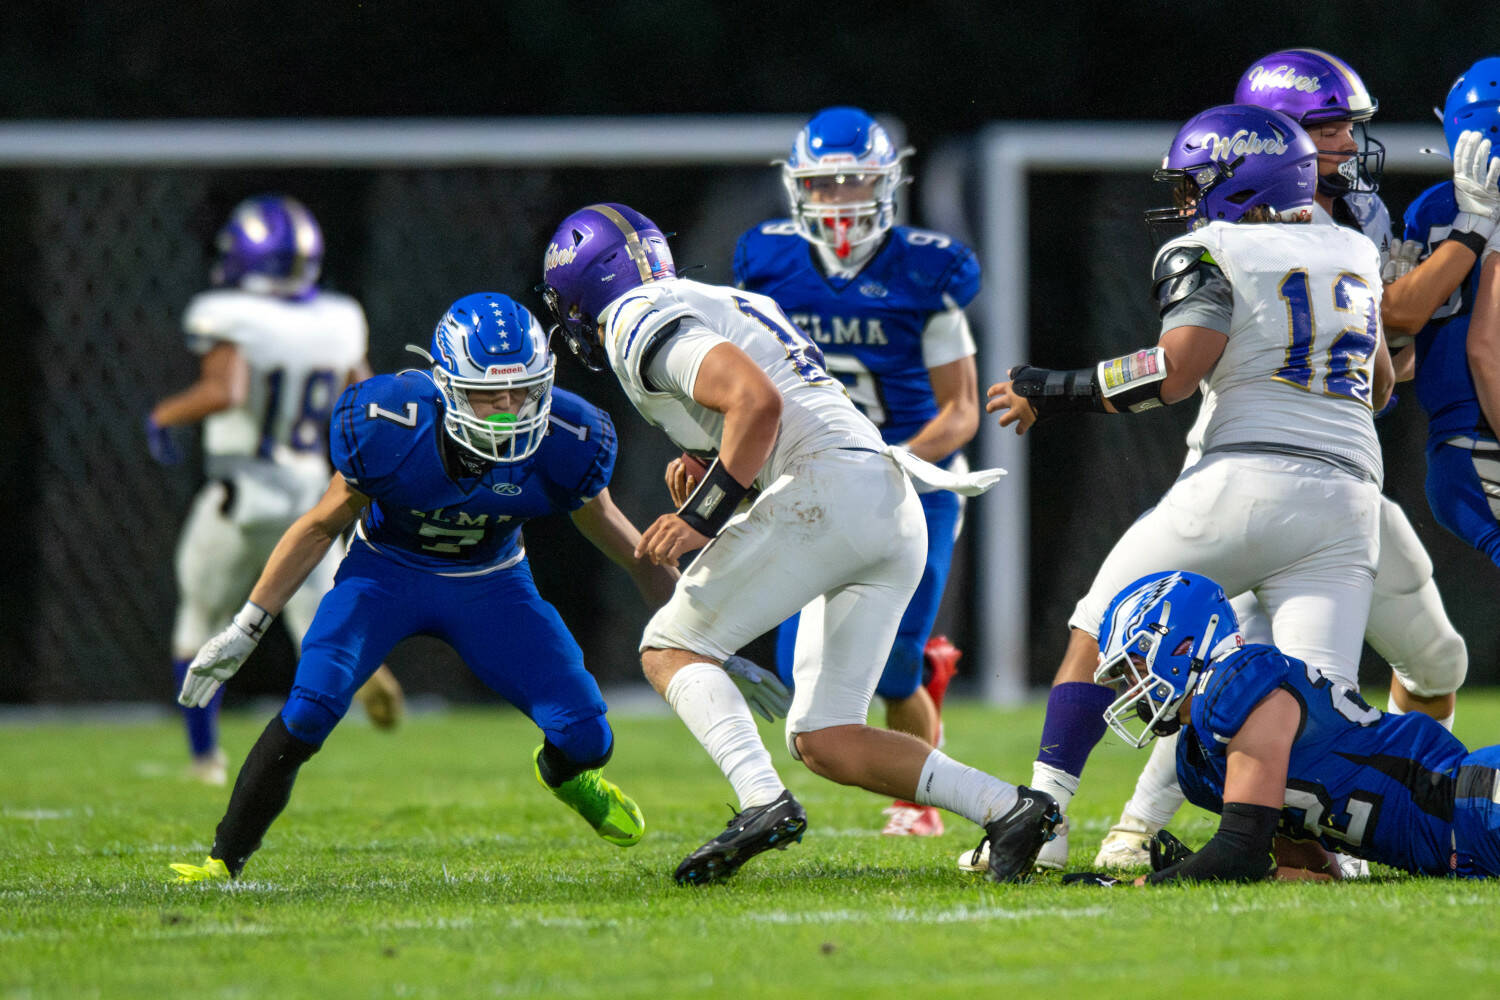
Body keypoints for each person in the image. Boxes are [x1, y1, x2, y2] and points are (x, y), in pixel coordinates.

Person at [541, 202, 1057, 885]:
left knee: (671, 648)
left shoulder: (637, 317)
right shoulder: (717, 297)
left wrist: (704, 512)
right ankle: (1012, 809)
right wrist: (720, 474)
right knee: (826, 738)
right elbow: (771, 412)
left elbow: (757, 402)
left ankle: (763, 803)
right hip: (884, 498)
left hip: (833, 487)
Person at [1093, 49, 1491, 871]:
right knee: (1257, 674)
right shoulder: (1236, 233)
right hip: (1259, 473)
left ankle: (1353, 813)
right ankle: (1148, 826)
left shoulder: (1364, 216)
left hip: (1342, 477)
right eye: (1329, 128)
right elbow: (1387, 319)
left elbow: (1385, 353)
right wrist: (1470, 236)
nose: (1345, 145)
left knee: (1429, 659)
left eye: (1349, 126)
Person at [981, 104, 1392, 876]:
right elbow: (1379, 383)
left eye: (1195, 184)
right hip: (1347, 499)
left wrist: (1056, 387)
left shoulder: (1212, 246)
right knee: (1313, 703)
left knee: (1099, 629)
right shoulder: (1354, 248)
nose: (1184, 200)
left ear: (1234, 183)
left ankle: (1044, 822)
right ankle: (1305, 855)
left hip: (1243, 479)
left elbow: (1176, 370)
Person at [169, 292, 672, 882]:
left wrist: (696, 633)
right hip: (386, 574)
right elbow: (318, 525)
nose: (510, 409)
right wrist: (247, 625)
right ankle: (222, 862)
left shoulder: (567, 435)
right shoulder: (390, 424)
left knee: (588, 735)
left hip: (493, 585)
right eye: (490, 392)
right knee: (309, 709)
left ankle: (565, 774)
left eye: (524, 389)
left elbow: (625, 544)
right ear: (447, 384)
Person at [730, 107, 979, 837]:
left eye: (854, 182)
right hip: (815, 477)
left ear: (887, 184)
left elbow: (961, 412)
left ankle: (920, 798)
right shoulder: (770, 264)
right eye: (826, 184)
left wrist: (892, 460)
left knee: (895, 663)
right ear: (798, 189)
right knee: (795, 668)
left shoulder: (926, 273)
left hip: (913, 479)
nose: (840, 199)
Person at [147, 193, 403, 786]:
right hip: (311, 495)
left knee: (200, 620)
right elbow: (363, 398)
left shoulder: (231, 316)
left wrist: (163, 415)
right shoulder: (339, 318)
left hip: (241, 494)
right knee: (319, 621)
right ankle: (361, 674)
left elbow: (227, 391)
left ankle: (205, 758)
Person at [1071, 570, 1500, 884]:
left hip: (1477, 804)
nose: (1132, 687)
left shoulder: (1239, 684)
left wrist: (1140, 886)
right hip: (1463, 853)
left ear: (1182, 647)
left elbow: (1240, 850)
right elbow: (1313, 875)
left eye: (1136, 667)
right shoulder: (1200, 758)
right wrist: (1194, 874)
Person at [1400, 57, 1500, 571]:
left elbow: (1406, 357)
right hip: (1485, 436)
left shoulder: (1432, 207)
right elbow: (1485, 351)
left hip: (1456, 446)